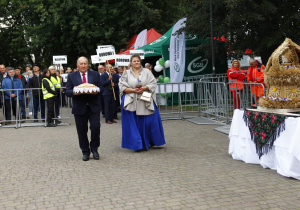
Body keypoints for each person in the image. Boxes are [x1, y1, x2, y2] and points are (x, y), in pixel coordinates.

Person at [119, 54, 166, 151]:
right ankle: (136, 144)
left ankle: (148, 141)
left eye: (138, 61)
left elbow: (153, 83)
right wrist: (133, 90)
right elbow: (122, 86)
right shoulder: (126, 73)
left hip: (145, 97)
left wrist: (145, 88)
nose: (136, 62)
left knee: (149, 121)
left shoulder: (147, 71)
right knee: (134, 123)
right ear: (131, 63)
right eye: (134, 61)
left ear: (140, 62)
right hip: (131, 99)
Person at [65, 56, 101, 161]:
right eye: (81, 63)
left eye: (85, 63)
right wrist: (75, 92)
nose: (83, 65)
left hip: (93, 106)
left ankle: (94, 149)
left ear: (88, 64)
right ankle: (85, 151)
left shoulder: (95, 74)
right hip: (79, 107)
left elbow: (101, 88)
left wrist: (97, 91)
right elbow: (67, 91)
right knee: (81, 131)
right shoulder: (72, 76)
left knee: (95, 128)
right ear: (77, 65)